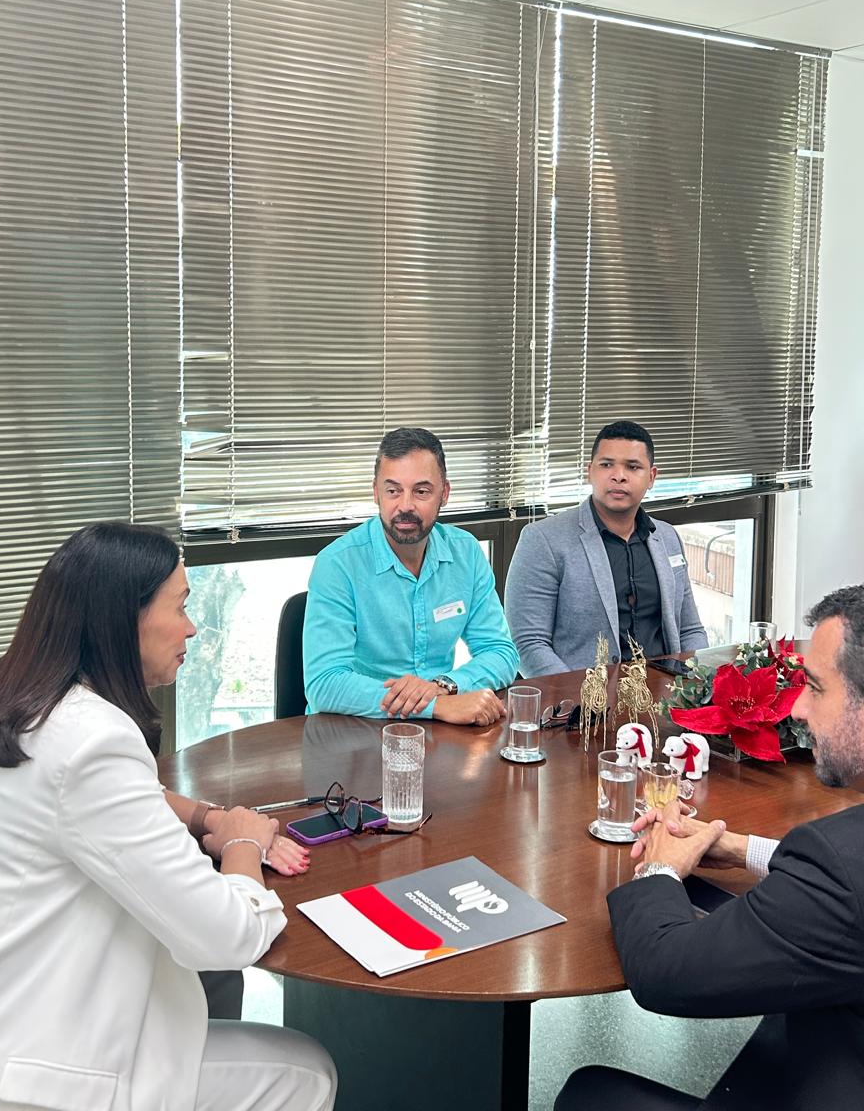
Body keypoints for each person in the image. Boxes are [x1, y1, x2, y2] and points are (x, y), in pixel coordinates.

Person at [0, 523, 336, 1111]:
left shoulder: (2, 701)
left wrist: (205, 817)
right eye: (180, 607)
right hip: (15, 1079)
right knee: (305, 1071)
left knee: (201, 992)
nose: (192, 627)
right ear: (124, 620)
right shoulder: (93, 740)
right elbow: (227, 937)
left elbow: (87, 799)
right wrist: (243, 843)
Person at [556, 583, 864, 1111]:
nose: (797, 709)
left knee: (588, 1095)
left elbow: (664, 972)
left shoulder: (840, 870)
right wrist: (742, 849)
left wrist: (658, 868)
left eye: (815, 687)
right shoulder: (841, 863)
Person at [304, 427, 516, 724]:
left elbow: (501, 653)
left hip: (440, 733)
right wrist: (435, 706)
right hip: (354, 729)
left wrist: (444, 686)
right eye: (393, 491)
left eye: (421, 491)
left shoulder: (465, 552)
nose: (405, 506)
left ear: (444, 494)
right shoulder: (338, 564)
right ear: (376, 492)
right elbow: (324, 685)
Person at [504, 419, 707, 676]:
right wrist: (578, 696)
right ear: (590, 471)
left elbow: (690, 630)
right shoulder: (543, 539)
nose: (618, 476)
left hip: (665, 690)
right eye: (607, 464)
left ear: (651, 477)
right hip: (583, 695)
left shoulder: (667, 537)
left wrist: (697, 683)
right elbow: (528, 643)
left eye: (633, 467)